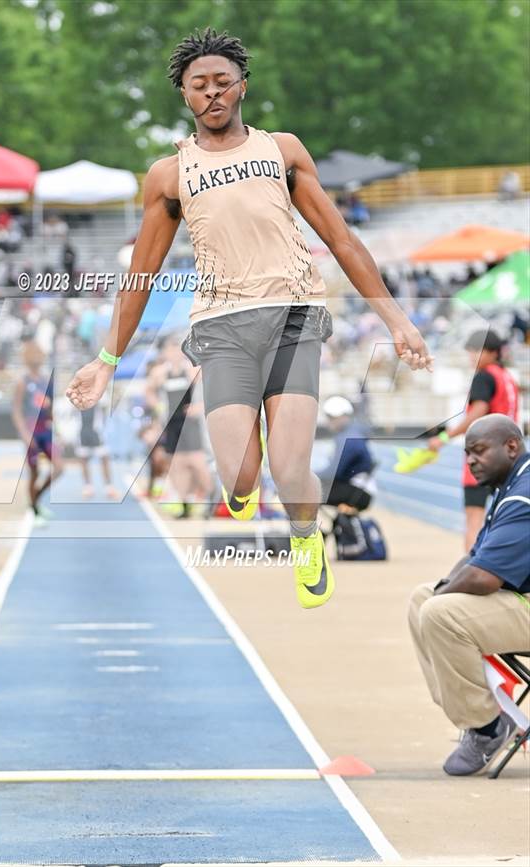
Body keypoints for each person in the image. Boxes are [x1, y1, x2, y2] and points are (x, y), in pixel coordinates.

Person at [66, 28, 433, 609]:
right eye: (198, 86)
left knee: (290, 474)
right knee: (239, 477)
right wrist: (107, 360)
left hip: (293, 313)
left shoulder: (282, 151)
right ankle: (244, 484)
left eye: (221, 82)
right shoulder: (168, 175)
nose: (211, 93)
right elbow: (142, 275)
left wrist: (396, 320)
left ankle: (306, 537)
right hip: (221, 325)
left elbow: (340, 239)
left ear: (241, 86)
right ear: (185, 96)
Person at [409, 414, 529, 775]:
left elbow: (484, 578)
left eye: (478, 451)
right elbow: (474, 559)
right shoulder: (510, 486)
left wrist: (442, 598)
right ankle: (473, 713)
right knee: (422, 598)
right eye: (467, 454)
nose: (471, 461)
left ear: (511, 447)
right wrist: (442, 590)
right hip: (520, 599)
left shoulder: (523, 496)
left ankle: (488, 728)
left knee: (438, 612)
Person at [427, 329, 519, 551]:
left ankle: (473, 573)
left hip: (483, 456)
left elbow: (478, 411)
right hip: (510, 457)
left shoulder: (484, 376)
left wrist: (444, 436)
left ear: (491, 353)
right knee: (507, 519)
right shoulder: (507, 377)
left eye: (475, 351)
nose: (471, 356)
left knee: (474, 521)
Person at [145, 337, 212, 518]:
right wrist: (158, 407)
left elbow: (213, 388)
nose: (174, 354)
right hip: (172, 424)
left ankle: (211, 498)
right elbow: (149, 391)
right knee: (177, 465)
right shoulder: (159, 373)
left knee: (198, 463)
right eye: (170, 351)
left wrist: (200, 407)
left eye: (177, 350)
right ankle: (184, 505)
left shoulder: (192, 370)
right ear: (165, 353)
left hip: (191, 424)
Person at [11, 341, 64, 526]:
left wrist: (58, 432)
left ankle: (36, 500)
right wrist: (25, 435)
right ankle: (34, 511)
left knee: (59, 467)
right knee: (34, 472)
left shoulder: (46, 380)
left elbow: (50, 409)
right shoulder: (22, 382)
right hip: (31, 430)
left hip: (46, 430)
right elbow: (16, 410)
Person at [320, 395, 376, 512]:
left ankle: (305, 529)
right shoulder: (352, 432)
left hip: (359, 492)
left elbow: (334, 472)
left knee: (306, 492)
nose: (328, 422)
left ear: (343, 417)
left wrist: (306, 476)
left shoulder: (349, 437)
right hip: (359, 489)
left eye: (330, 417)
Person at [76, 405, 118, 500]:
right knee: (83, 460)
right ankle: (88, 487)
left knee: (104, 458)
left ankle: (109, 487)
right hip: (83, 433)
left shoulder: (99, 398)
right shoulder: (78, 396)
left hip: (97, 434)